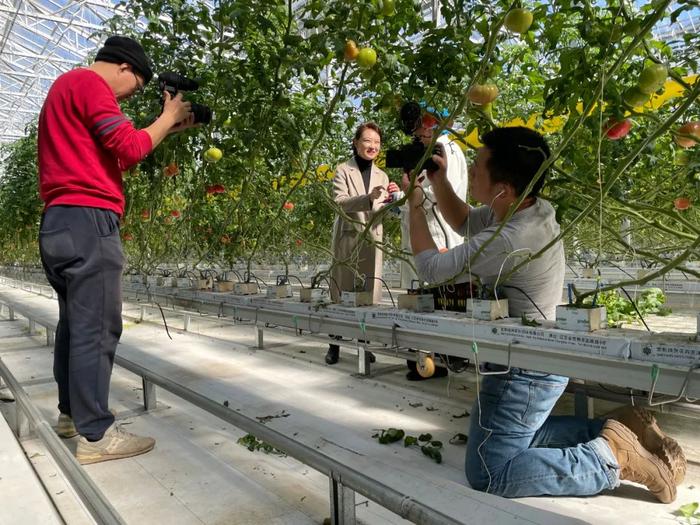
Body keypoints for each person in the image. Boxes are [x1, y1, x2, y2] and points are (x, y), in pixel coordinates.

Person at [406, 126, 684, 502]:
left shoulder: (510, 240)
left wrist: (414, 203)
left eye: (478, 168)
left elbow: (428, 269)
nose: (470, 171)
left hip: (524, 368)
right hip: (537, 357)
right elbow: (465, 222)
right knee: (502, 437)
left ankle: (610, 456)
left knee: (489, 469)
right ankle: (617, 427)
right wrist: (439, 183)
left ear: (502, 188)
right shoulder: (530, 209)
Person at [37, 36, 195, 464]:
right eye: (138, 85)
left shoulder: (65, 89)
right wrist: (167, 116)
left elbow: (115, 152)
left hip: (59, 220)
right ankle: (96, 436)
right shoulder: (90, 85)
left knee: (75, 324)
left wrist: (166, 127)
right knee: (98, 329)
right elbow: (129, 147)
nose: (132, 95)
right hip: (88, 220)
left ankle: (72, 416)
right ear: (126, 68)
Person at [395, 104, 468, 381]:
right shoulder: (436, 148)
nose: (417, 134)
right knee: (429, 296)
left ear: (430, 123)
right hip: (429, 231)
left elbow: (442, 193)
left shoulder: (443, 150)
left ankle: (433, 360)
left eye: (419, 127)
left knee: (433, 298)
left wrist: (412, 191)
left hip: (437, 234)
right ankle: (428, 358)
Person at [325, 122, 398, 365]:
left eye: (377, 143)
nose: (372, 146)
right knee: (342, 290)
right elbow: (340, 202)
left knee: (368, 291)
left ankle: (364, 345)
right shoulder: (343, 170)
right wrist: (368, 199)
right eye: (367, 141)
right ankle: (334, 343)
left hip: (372, 237)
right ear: (356, 143)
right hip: (349, 235)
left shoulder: (382, 175)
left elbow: (384, 206)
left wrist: (393, 197)